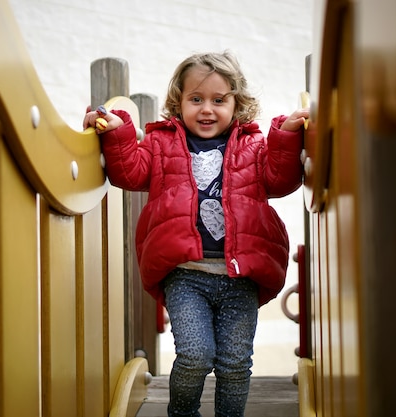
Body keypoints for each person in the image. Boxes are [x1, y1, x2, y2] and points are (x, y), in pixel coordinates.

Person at [83, 51, 308, 417]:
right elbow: (129, 173)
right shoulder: (162, 146)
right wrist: (117, 132)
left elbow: (281, 179)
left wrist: (285, 134)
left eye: (219, 100)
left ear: (237, 104)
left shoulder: (253, 148)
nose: (207, 109)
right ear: (179, 102)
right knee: (194, 355)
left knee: (235, 363)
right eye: (196, 99)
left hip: (240, 277)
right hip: (186, 275)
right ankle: (182, 413)